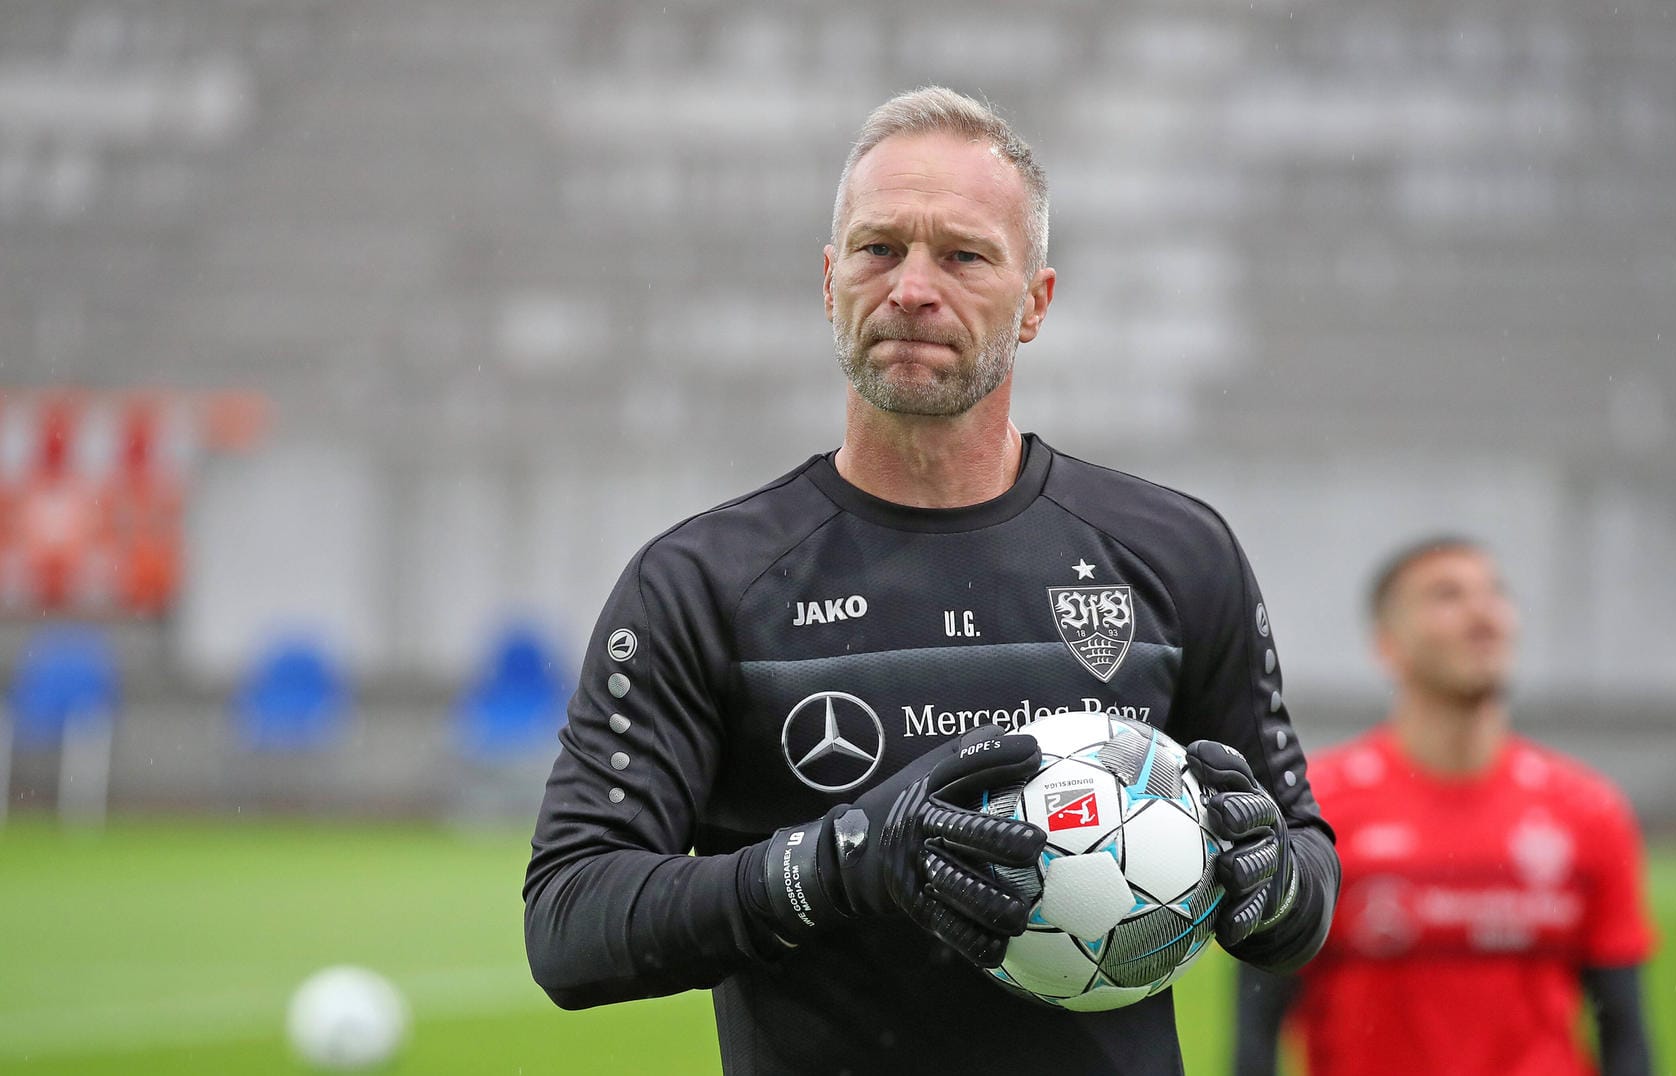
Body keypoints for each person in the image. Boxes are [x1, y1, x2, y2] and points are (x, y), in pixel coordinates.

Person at [523, 86, 1340, 1075]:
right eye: (879, 249)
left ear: (1035, 301)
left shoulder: (1176, 552)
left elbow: (1299, 864)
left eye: (961, 254)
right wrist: (841, 862)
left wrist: (1279, 884)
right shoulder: (703, 582)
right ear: (830, 282)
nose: (911, 287)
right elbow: (569, 918)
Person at [1233, 537, 1656, 1076]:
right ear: (1388, 645)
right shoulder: (1312, 810)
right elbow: (1255, 1031)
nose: (1483, 614)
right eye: (1446, 596)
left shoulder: (1589, 811)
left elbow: (1625, 1032)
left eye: (1495, 594)